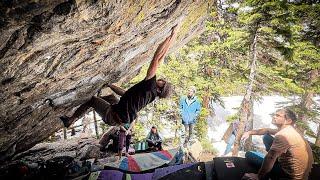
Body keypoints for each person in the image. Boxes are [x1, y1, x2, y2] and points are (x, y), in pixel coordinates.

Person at [60, 25, 178, 129]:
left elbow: (157, 58)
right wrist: (110, 85)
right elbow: (125, 93)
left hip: (113, 116)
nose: (162, 80)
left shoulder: (150, 86)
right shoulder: (150, 95)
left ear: (160, 89)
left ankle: (71, 120)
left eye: (163, 83)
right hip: (120, 114)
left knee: (92, 100)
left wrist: (172, 36)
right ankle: (97, 105)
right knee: (111, 97)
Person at [241, 108, 314, 180]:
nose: (274, 116)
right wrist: (249, 132)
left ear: (288, 121)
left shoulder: (283, 135)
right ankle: (273, 163)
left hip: (289, 175)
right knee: (266, 136)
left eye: (278, 115)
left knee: (249, 154)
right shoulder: (290, 131)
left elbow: (270, 157)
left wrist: (259, 176)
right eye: (274, 115)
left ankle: (268, 174)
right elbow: (267, 130)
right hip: (300, 173)